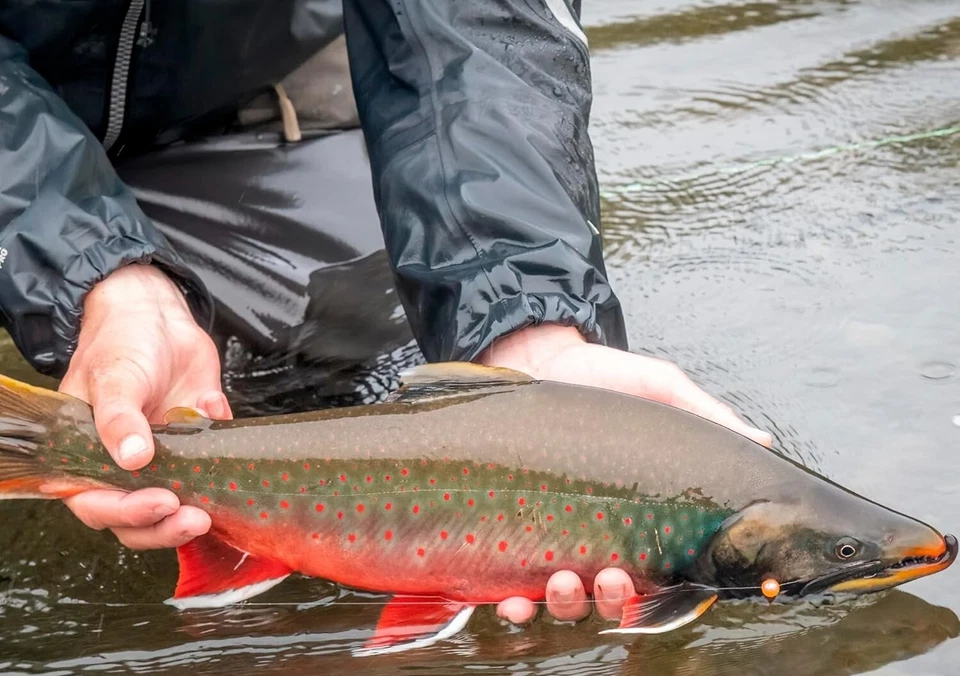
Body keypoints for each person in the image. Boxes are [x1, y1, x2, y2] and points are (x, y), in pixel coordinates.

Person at [0, 1, 769, 627]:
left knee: (353, 324)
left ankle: (216, 508)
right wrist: (87, 270)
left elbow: (479, 26)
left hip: (226, 98)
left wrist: (521, 317)